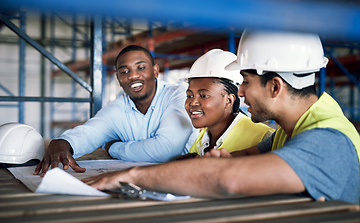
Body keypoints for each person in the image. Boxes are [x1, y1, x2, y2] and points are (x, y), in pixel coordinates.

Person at [83, 30, 360, 204]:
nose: (239, 91)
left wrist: (133, 175)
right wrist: (209, 160)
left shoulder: (328, 139)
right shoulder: (288, 132)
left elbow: (228, 178)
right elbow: (243, 157)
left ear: (275, 86)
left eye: (246, 81)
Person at [34, 45, 194, 176]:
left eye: (141, 68)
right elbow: (91, 131)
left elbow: (165, 150)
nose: (133, 76)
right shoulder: (117, 108)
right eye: (124, 72)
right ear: (118, 78)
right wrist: (63, 143)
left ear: (155, 70)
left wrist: (114, 148)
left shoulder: (180, 94)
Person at [178, 49, 273, 160]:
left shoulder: (263, 137)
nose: (193, 102)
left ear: (229, 100)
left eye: (203, 95)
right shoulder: (204, 137)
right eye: (189, 96)